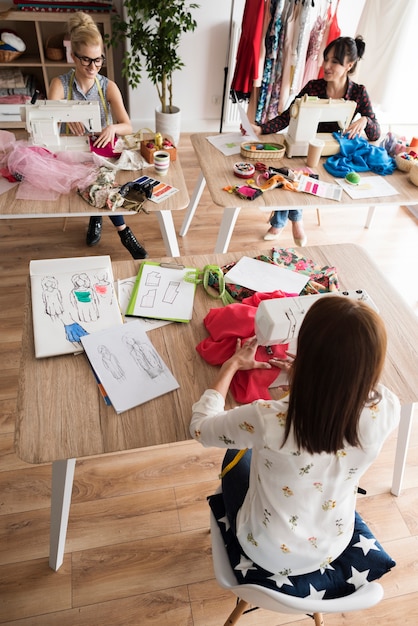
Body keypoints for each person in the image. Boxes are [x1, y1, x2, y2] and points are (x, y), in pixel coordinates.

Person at [190, 296, 399, 578]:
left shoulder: (270, 420)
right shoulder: (388, 406)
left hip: (264, 550)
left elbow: (200, 427)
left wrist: (233, 364)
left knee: (236, 456)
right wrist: (317, 377)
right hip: (333, 540)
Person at [250, 36, 380, 245]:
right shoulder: (314, 86)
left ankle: (281, 222)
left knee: (302, 173)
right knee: (293, 171)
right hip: (306, 147)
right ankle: (296, 220)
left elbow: (375, 134)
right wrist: (261, 128)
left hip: (333, 153)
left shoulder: (358, 92)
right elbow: (287, 116)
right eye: (325, 59)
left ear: (349, 65)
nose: (326, 66)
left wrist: (365, 120)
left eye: (335, 62)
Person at [48, 11, 148, 259]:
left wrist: (112, 128)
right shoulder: (59, 85)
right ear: (73, 56)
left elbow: (127, 125)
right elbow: (49, 117)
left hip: (100, 152)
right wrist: (63, 119)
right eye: (86, 60)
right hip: (71, 153)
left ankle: (114, 227)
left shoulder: (108, 87)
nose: (93, 67)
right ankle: (121, 229)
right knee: (97, 180)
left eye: (98, 60)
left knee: (100, 178)